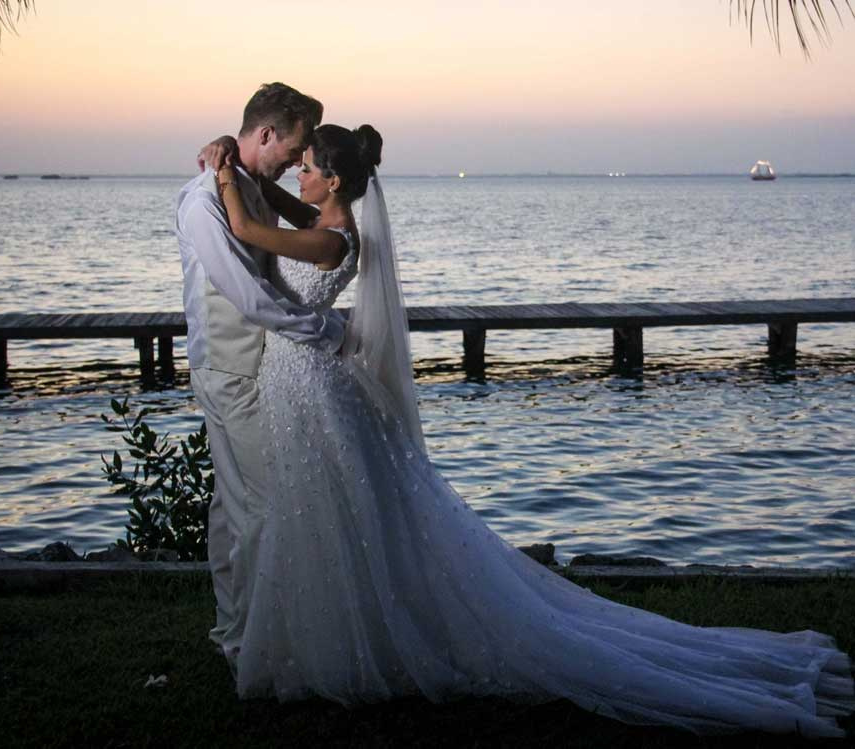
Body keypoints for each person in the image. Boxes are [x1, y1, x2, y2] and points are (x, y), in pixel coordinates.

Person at [196, 126, 855, 739]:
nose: (298, 172)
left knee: (329, 514)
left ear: (332, 182)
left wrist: (225, 168)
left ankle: (353, 645)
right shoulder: (324, 219)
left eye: (307, 166)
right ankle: (334, 635)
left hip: (312, 388)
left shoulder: (332, 238)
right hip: (301, 385)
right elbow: (282, 205)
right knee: (321, 517)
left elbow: (251, 225)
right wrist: (252, 171)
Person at [175, 82, 346, 651]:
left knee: (234, 506)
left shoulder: (253, 187)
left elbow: (305, 227)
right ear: (267, 134)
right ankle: (250, 640)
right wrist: (322, 330)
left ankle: (236, 633)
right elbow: (246, 296)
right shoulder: (205, 201)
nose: (300, 162)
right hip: (231, 366)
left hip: (251, 367)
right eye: (294, 150)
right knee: (259, 505)